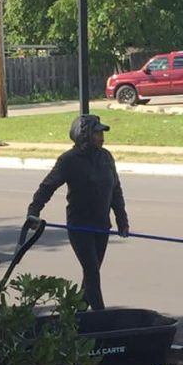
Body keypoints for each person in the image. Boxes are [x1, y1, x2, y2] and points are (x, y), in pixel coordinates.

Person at [27, 114, 129, 310]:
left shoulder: (106, 157)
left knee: (92, 273)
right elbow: (47, 187)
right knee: (92, 272)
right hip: (80, 227)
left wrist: (122, 220)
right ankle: (101, 318)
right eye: (97, 132)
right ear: (84, 135)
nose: (101, 136)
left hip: (102, 227)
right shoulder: (69, 160)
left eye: (102, 132)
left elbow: (115, 190)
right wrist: (34, 211)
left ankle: (76, 315)